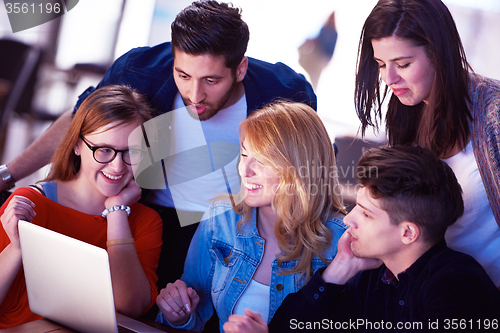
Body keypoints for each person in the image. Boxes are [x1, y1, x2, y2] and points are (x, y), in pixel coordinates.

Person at [0, 0, 317, 291]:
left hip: (239, 231)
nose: (195, 94)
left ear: (240, 69)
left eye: (211, 80)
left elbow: (307, 164)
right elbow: (80, 122)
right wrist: (8, 175)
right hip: (157, 218)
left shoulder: (285, 92)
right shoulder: (141, 70)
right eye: (183, 75)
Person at [155, 101, 347, 332]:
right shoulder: (220, 218)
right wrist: (178, 316)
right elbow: (193, 317)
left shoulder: (341, 242)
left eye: (263, 161)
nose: (245, 171)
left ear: (300, 168)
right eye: (245, 154)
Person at [267, 145, 500, 333]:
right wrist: (339, 269)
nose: (348, 220)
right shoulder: (374, 277)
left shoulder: (456, 287)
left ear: (408, 233)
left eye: (366, 213)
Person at [354, 0, 500, 286]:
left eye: (404, 64)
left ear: (439, 53)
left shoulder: (493, 114)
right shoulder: (405, 111)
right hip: (429, 294)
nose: (389, 79)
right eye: (381, 64)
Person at [0, 85, 162, 328]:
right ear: (76, 145)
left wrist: (117, 211)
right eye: (104, 150)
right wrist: (17, 248)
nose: (118, 167)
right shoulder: (31, 203)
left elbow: (129, 305)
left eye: (132, 153)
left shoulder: (146, 221)